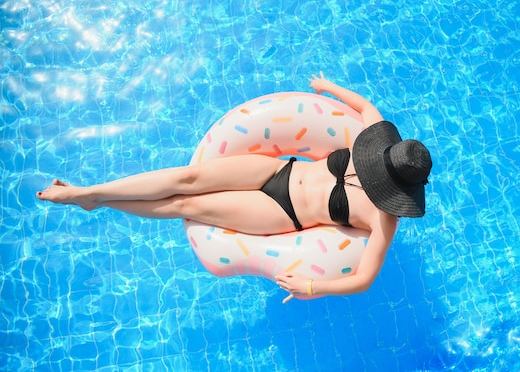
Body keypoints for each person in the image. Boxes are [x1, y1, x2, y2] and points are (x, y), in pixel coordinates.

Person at [37, 72, 432, 303]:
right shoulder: (377, 141)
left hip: (283, 214)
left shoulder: (384, 219)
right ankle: (89, 192)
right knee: (184, 178)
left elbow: (364, 279)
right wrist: (327, 87)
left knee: (185, 206)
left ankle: (98, 201)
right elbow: (364, 106)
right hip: (276, 170)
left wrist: (314, 286)